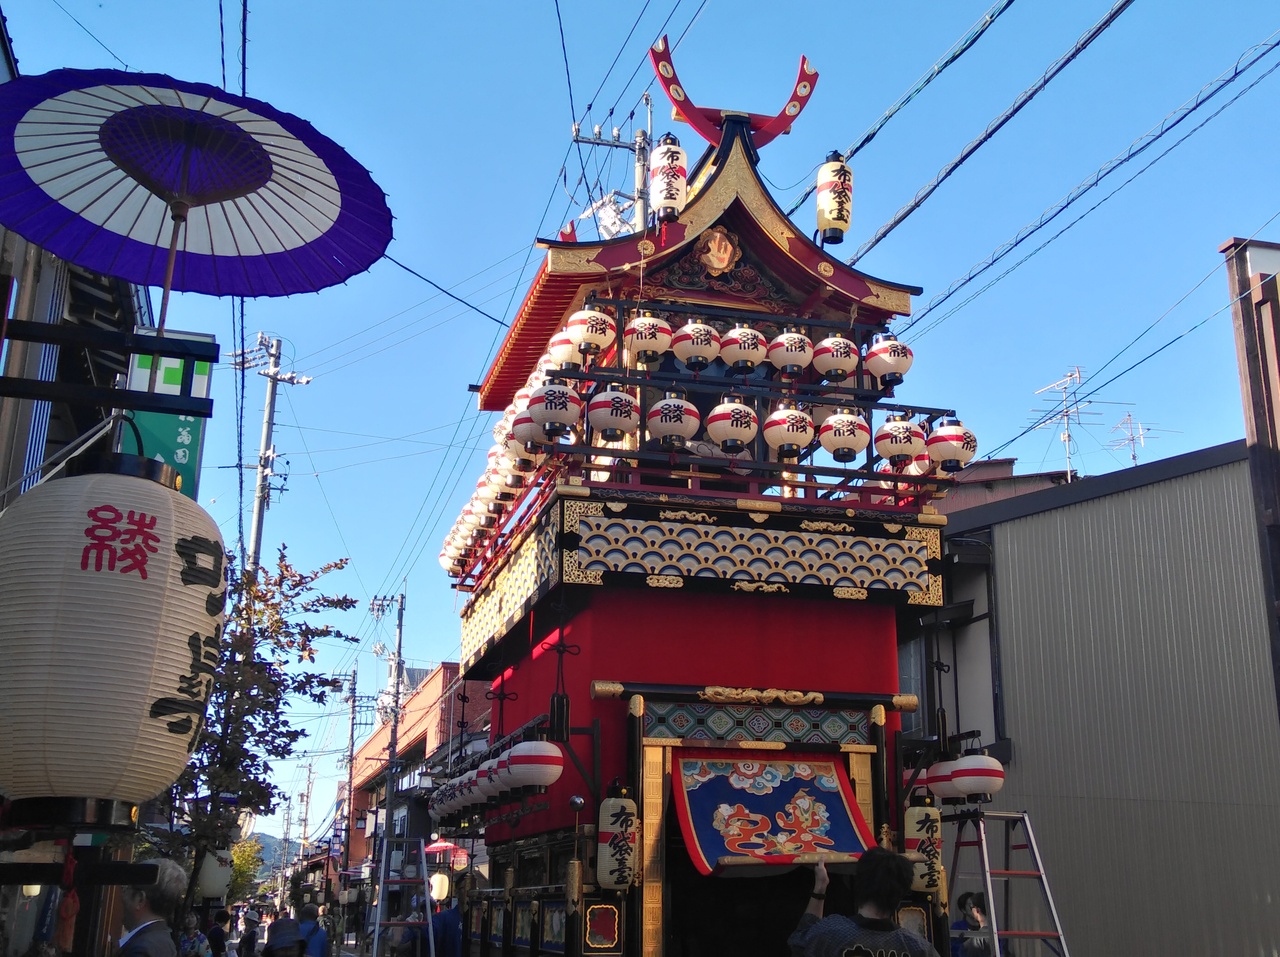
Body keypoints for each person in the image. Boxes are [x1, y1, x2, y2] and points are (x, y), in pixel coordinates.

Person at [788, 849, 939, 957]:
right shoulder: (918, 948)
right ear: (902, 893)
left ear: (858, 884)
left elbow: (800, 942)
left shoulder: (830, 933)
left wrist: (820, 888)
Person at [119, 858, 189, 957]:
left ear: (140, 899)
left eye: (126, 889)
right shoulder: (163, 942)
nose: (122, 895)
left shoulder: (141, 949)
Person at [951, 892, 975, 957]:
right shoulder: (957, 927)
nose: (975, 908)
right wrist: (967, 944)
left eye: (977, 904)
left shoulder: (987, 926)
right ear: (963, 910)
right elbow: (953, 950)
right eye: (971, 906)